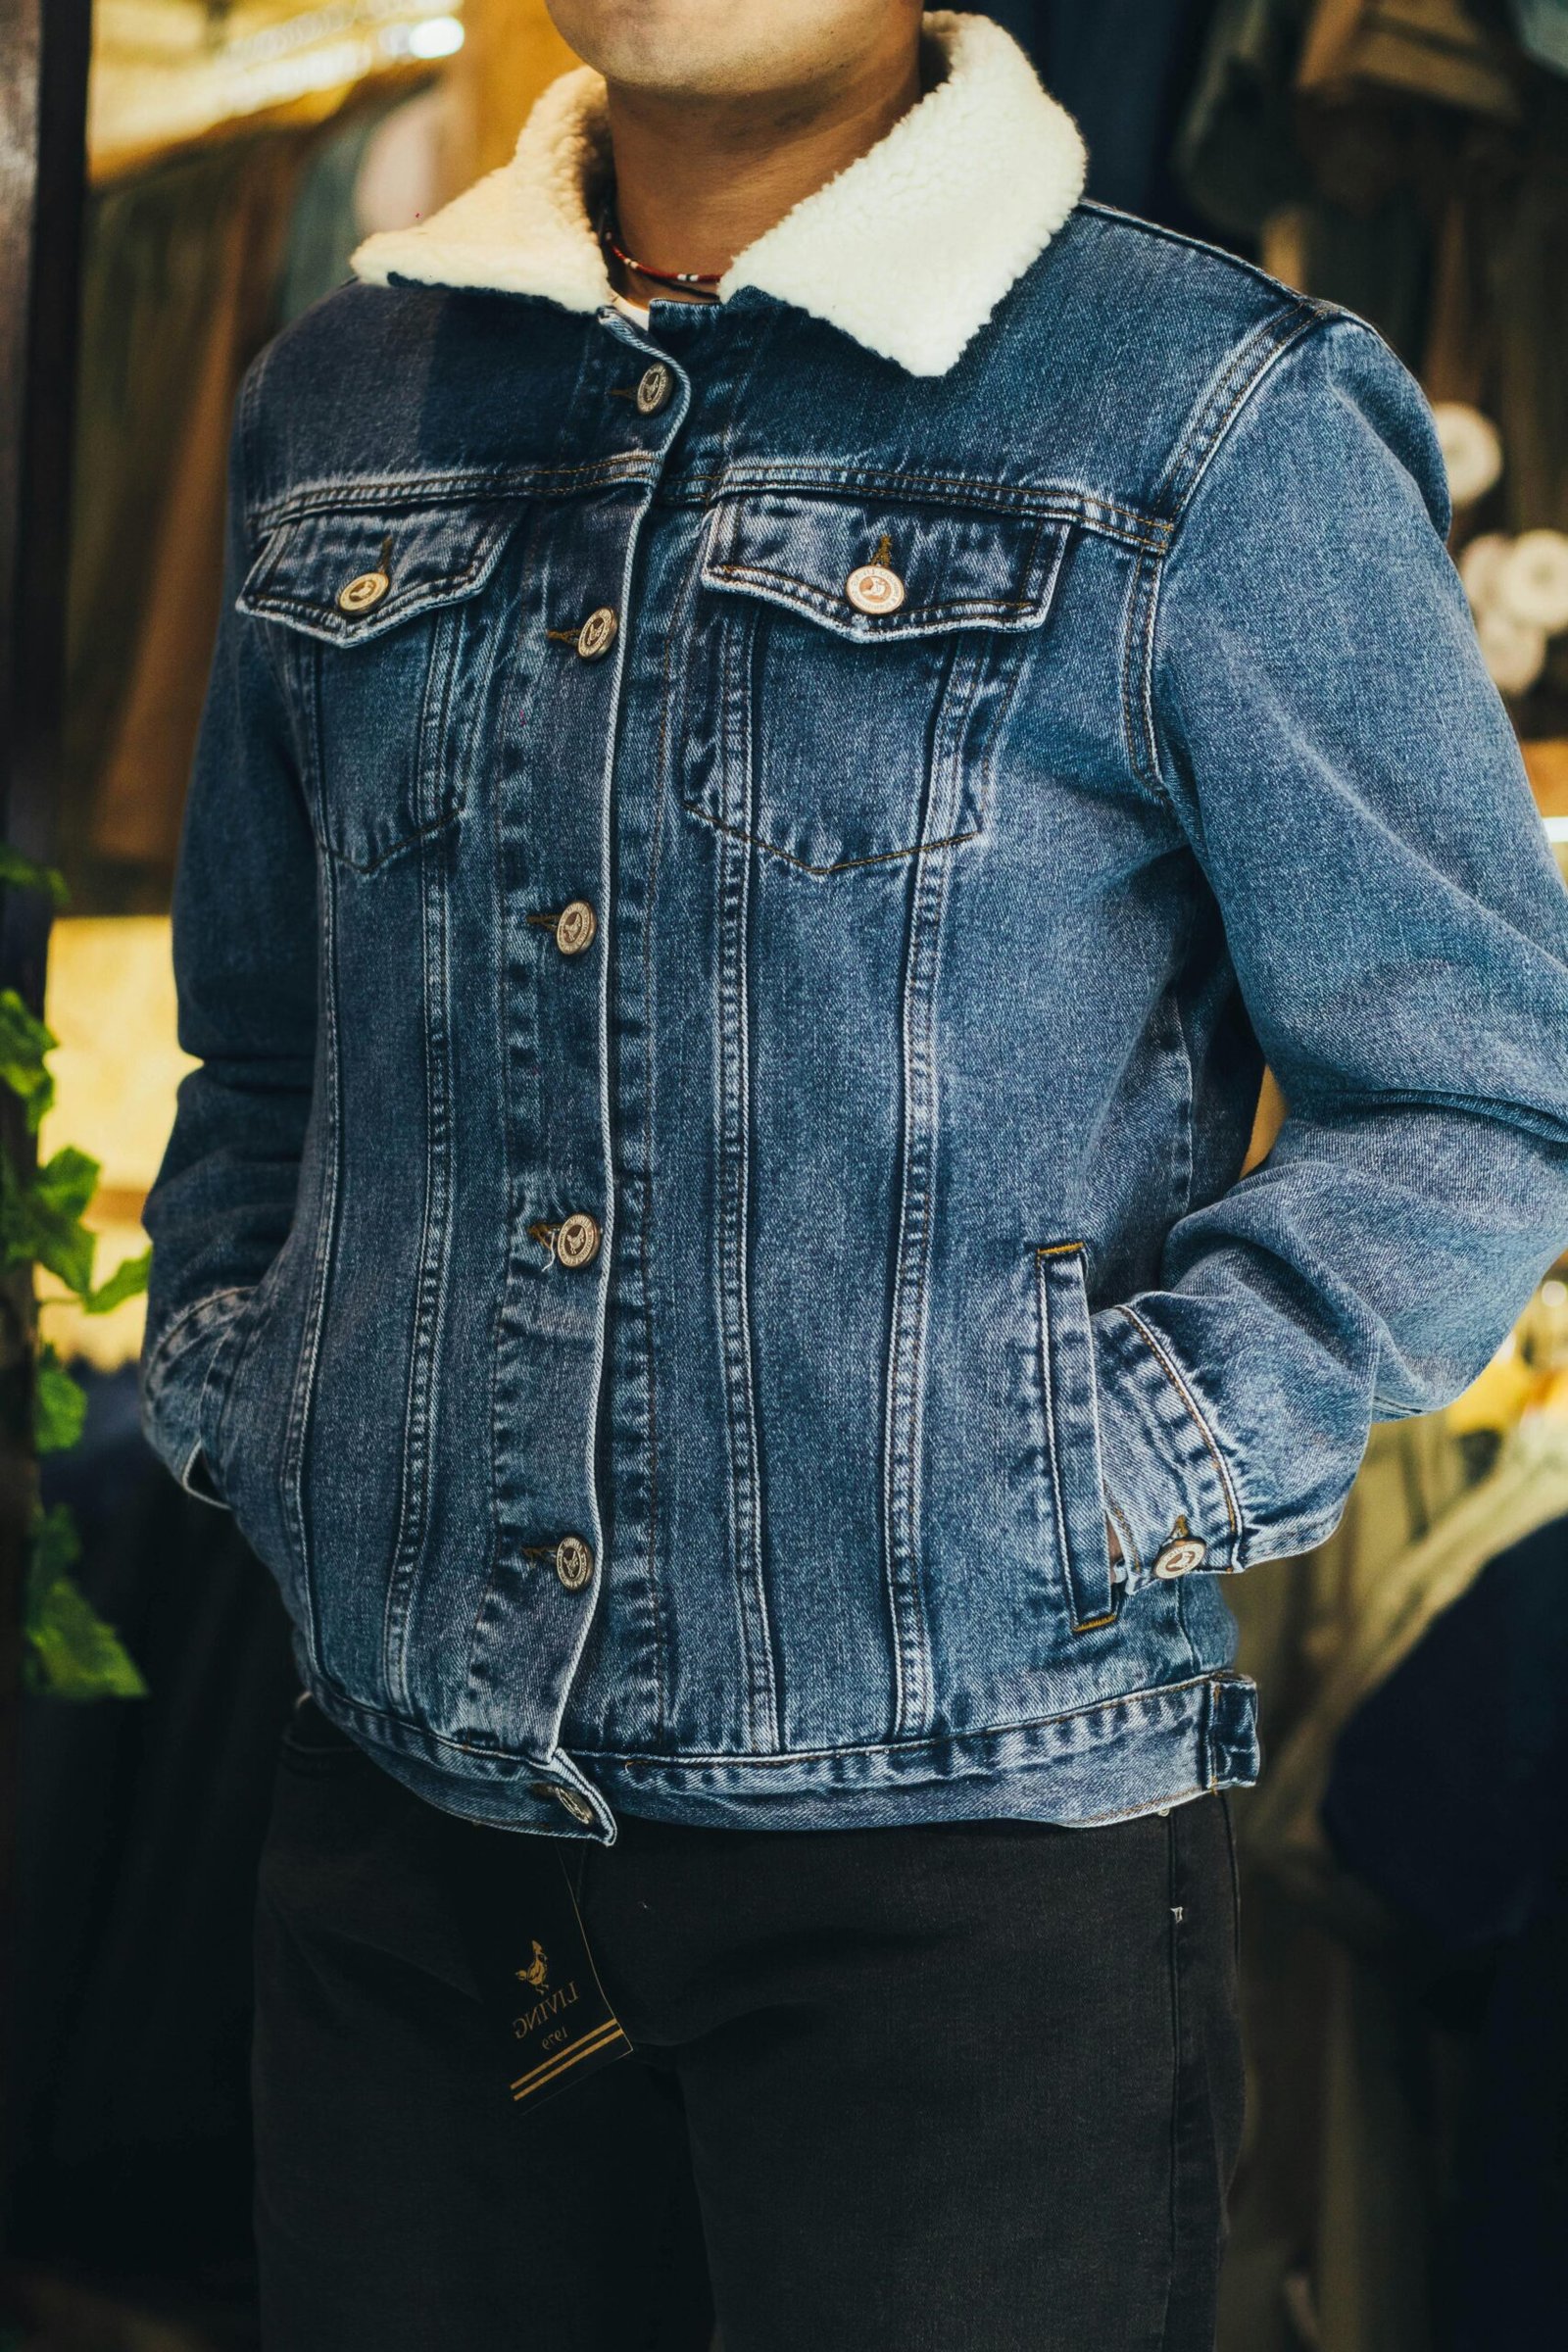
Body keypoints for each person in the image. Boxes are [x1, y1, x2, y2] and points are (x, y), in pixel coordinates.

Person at [137, 5, 1568, 2347]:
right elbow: (268, 1046)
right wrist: (250, 1375)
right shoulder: (341, 404)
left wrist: (1096, 1470)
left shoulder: (1198, 408)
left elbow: (1470, 1080)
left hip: (970, 1869)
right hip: (409, 1838)